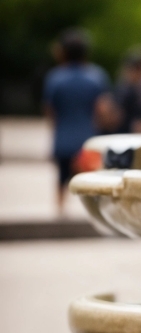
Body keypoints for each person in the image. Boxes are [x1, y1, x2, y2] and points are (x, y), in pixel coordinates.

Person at [43, 28, 110, 213]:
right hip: (87, 139)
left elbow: (50, 111)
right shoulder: (96, 76)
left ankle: (60, 212)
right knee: (92, 182)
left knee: (61, 178)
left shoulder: (55, 78)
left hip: (63, 138)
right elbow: (102, 110)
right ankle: (95, 215)